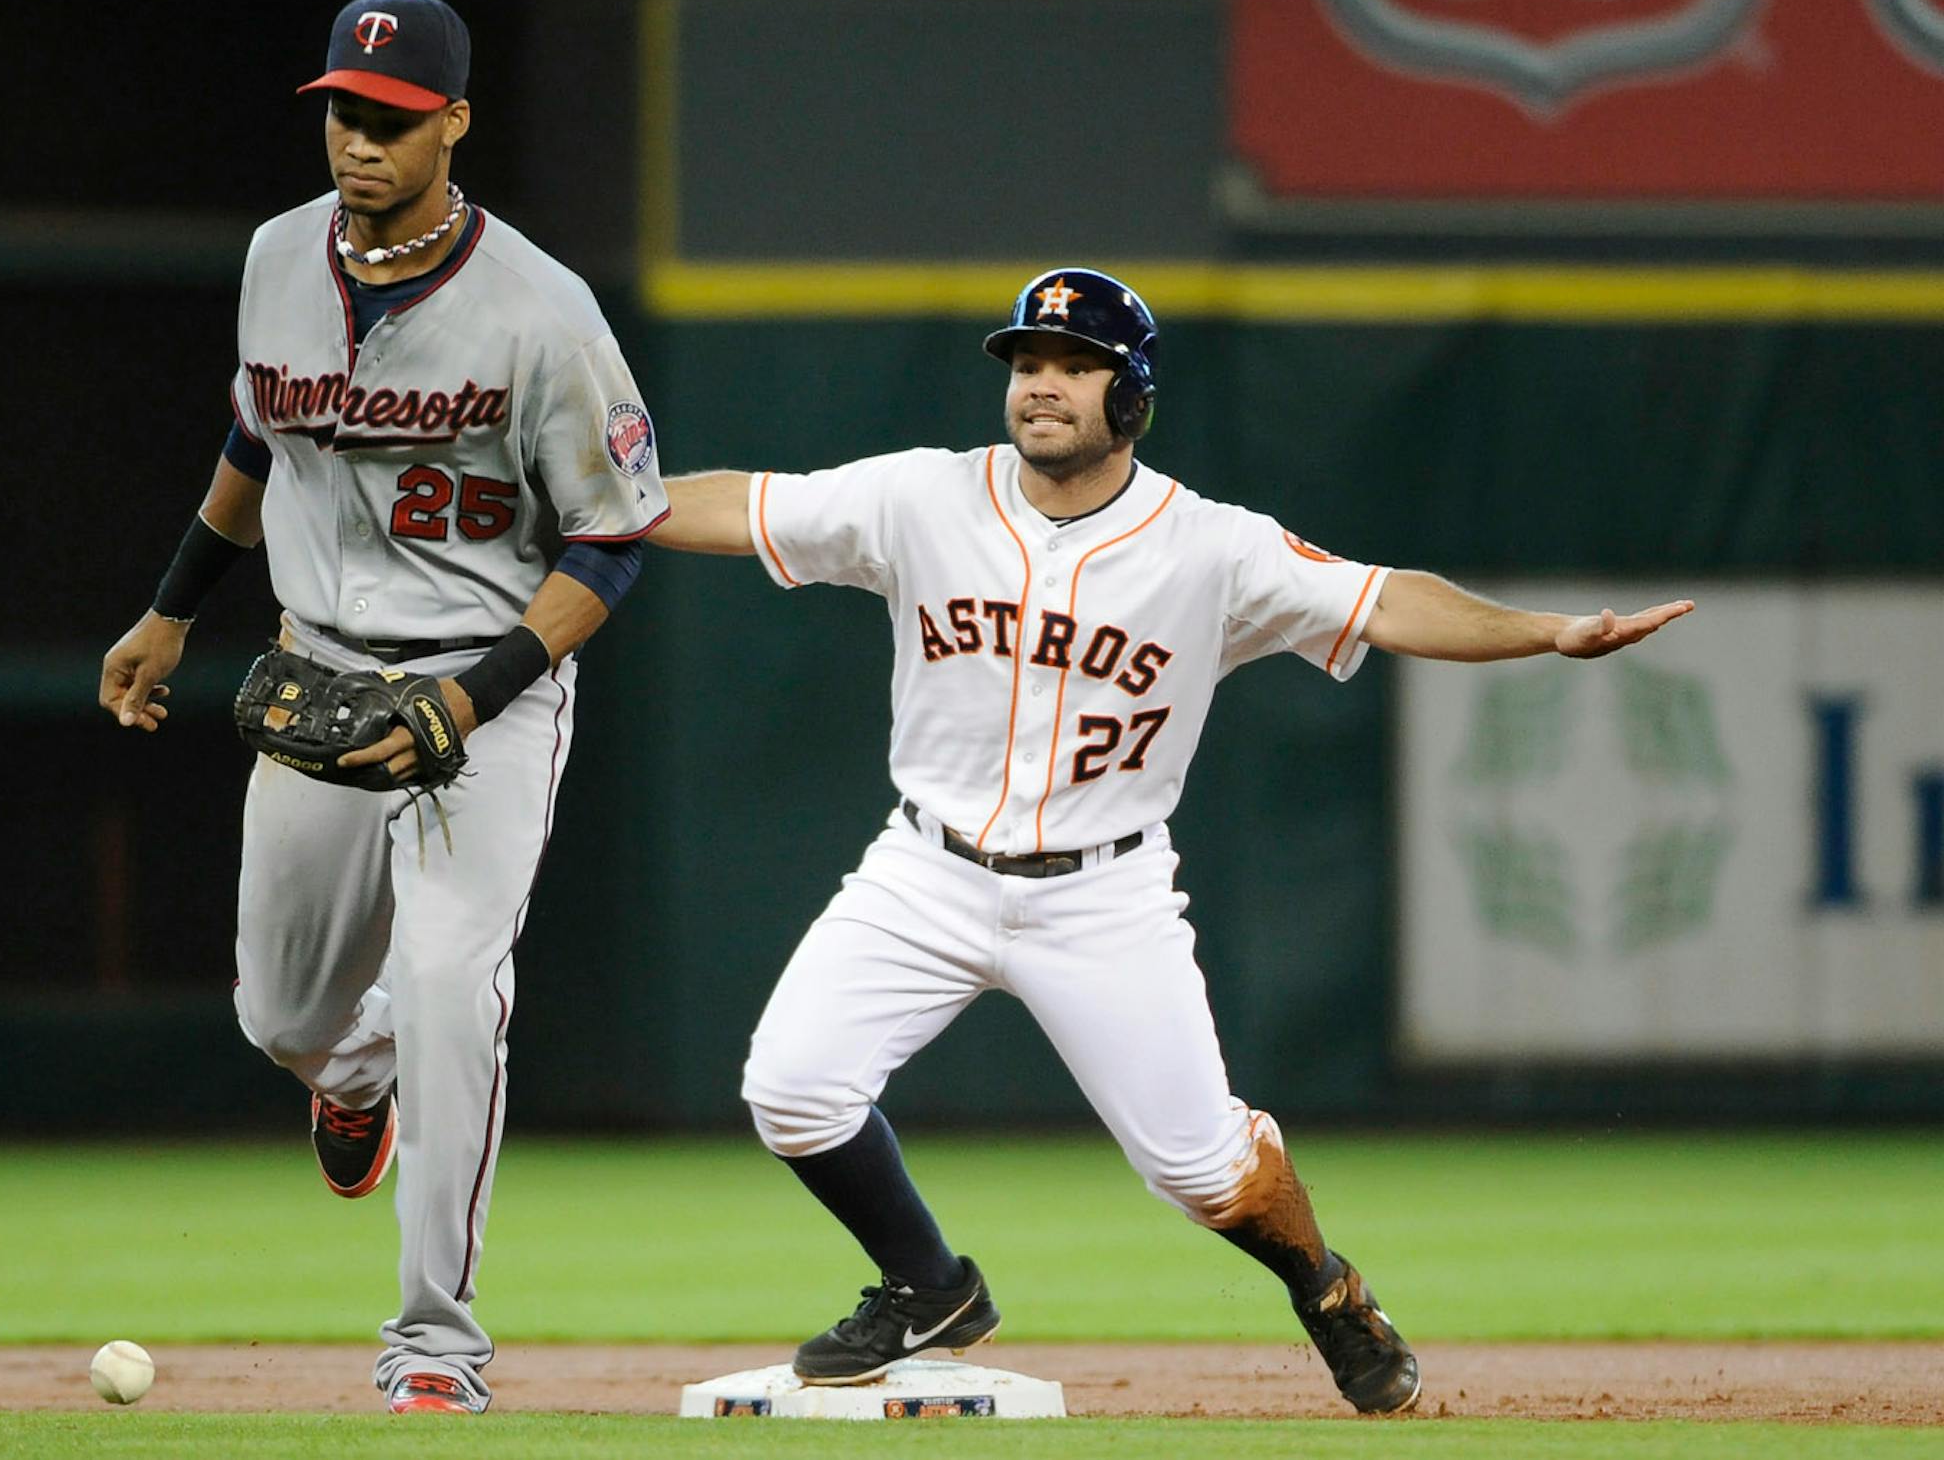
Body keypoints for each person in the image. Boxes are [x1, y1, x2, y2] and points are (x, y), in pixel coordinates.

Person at [648, 267, 1690, 1412]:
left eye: (1074, 365)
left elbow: (1386, 601)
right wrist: (603, 495)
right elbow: (748, 505)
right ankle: (928, 1284)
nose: (1042, 386)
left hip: (1103, 894)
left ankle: (1326, 1287)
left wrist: (1548, 634)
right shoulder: (922, 498)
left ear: (1130, 394)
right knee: (792, 1087)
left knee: (1197, 1167)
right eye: (1027, 363)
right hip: (924, 868)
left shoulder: (1211, 546)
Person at [97, 0, 667, 1415]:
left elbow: (613, 539)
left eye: (394, 119)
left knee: (447, 987)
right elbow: (255, 435)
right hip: (320, 665)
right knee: (282, 1011)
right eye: (346, 111)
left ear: (453, 124)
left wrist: (474, 701)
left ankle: (434, 1348)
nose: (361, 138)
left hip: (489, 680)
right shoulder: (278, 256)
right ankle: (349, 1083)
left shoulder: (542, 309)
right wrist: (172, 610)